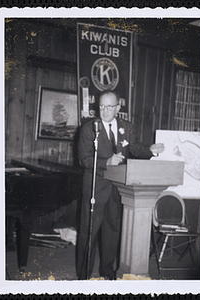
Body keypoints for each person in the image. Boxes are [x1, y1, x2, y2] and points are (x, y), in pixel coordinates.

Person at [76, 91, 164, 280]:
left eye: (109, 107)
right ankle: (83, 276)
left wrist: (150, 150)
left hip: (119, 190)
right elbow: (83, 159)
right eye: (101, 106)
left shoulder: (127, 127)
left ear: (117, 108)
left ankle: (107, 273)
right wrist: (106, 162)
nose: (105, 110)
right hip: (95, 188)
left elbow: (134, 148)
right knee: (88, 233)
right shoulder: (89, 128)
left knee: (112, 233)